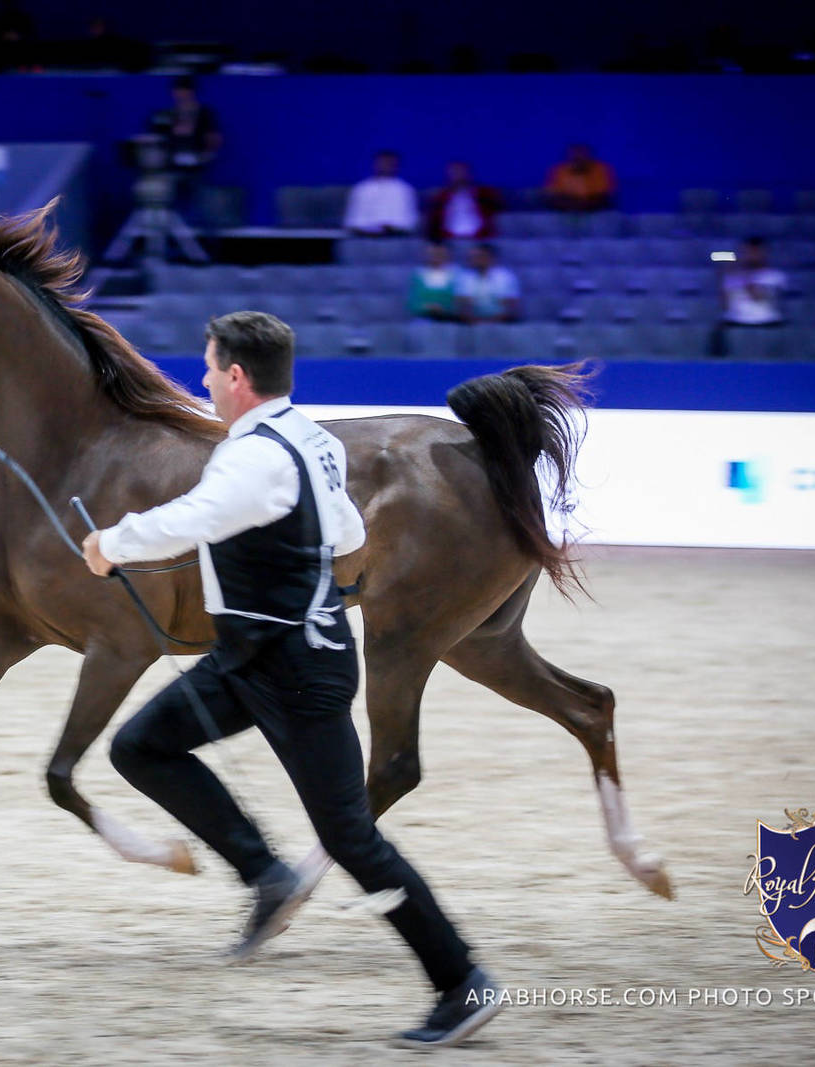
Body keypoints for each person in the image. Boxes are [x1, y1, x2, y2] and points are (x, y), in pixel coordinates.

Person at [81, 311, 501, 1050]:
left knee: (351, 838)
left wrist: (112, 543)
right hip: (252, 656)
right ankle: (264, 870)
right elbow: (348, 534)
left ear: (237, 376)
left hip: (294, 671)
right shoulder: (309, 439)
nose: (205, 380)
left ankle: (460, 980)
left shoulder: (251, 457)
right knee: (141, 747)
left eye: (210, 368)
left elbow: (194, 518)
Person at [148, 75, 223, 215]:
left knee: (200, 202)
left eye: (185, 91)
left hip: (196, 164)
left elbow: (214, 138)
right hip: (172, 165)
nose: (181, 95)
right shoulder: (167, 115)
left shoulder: (204, 114)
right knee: (166, 198)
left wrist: (207, 155)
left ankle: (201, 225)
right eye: (178, 91)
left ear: (192, 92)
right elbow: (157, 138)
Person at [709, 236, 787, 356]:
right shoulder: (731, 276)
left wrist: (744, 276)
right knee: (716, 333)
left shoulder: (774, 276)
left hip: (766, 321)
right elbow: (725, 306)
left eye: (755, 252)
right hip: (735, 320)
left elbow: (758, 297)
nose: (751, 256)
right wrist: (722, 279)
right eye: (747, 252)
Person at [344, 150, 420, 236]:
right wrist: (368, 228)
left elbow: (409, 221)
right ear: (375, 164)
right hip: (362, 235)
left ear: (396, 165)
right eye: (382, 163)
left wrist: (390, 227)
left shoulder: (405, 190)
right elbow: (353, 219)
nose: (385, 166)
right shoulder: (362, 188)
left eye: (389, 163)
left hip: (395, 236)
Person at [424, 161, 501, 242]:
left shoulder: (483, 194)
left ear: (468, 174)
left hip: (480, 238)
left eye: (461, 172)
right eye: (454, 173)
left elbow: (496, 208)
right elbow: (434, 222)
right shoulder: (441, 197)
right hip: (447, 239)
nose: (458, 176)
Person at [456, 243, 522, 323]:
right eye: (472, 257)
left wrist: (491, 321)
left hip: (501, 322)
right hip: (471, 323)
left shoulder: (506, 277)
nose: (474, 259)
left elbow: (510, 306)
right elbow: (463, 305)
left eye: (478, 256)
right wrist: (475, 321)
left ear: (490, 257)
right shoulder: (465, 277)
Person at [544, 143, 617, 212]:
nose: (579, 161)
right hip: (566, 207)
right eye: (575, 158)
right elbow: (553, 191)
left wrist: (584, 202)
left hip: (594, 207)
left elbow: (604, 191)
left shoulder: (600, 170)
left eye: (582, 158)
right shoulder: (560, 171)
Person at [406, 241, 462, 320]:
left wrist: (443, 308)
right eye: (433, 254)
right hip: (423, 318)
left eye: (440, 254)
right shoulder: (418, 274)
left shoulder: (457, 274)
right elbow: (412, 303)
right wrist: (428, 307)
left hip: (451, 318)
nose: (436, 257)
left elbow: (460, 302)